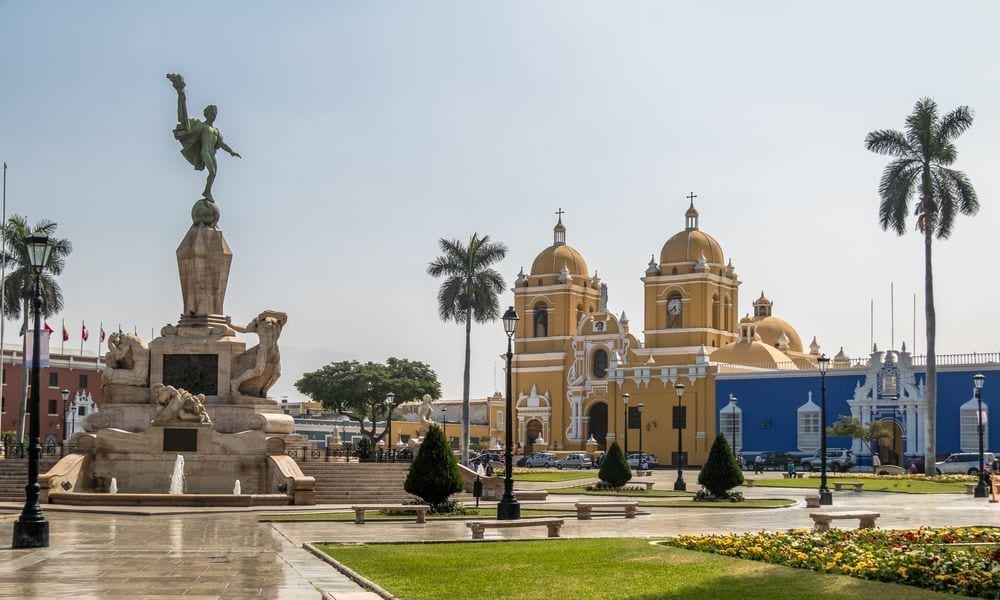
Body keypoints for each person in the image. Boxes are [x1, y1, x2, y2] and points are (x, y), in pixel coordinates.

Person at [167, 73, 241, 201]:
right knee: (212, 172)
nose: (214, 114)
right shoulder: (201, 125)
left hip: (211, 153)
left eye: (215, 113)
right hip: (205, 151)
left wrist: (232, 152)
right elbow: (184, 120)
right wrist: (181, 95)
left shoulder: (216, 130)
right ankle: (207, 192)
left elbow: (222, 144)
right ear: (207, 114)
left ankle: (207, 191)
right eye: (212, 112)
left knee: (214, 174)